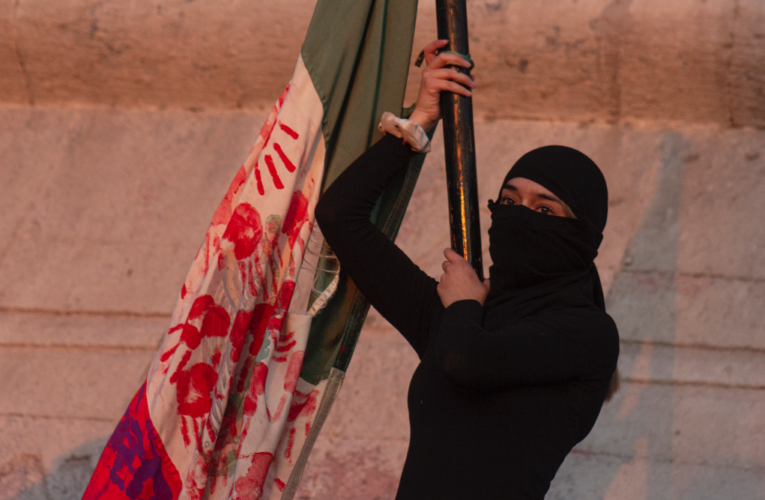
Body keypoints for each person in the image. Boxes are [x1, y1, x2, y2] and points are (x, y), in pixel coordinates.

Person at [314, 39, 620, 500]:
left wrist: (461, 303)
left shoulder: (587, 333)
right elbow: (340, 215)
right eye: (511, 201)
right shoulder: (460, 314)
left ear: (582, 236)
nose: (520, 216)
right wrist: (419, 121)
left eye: (545, 210)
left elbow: (464, 360)